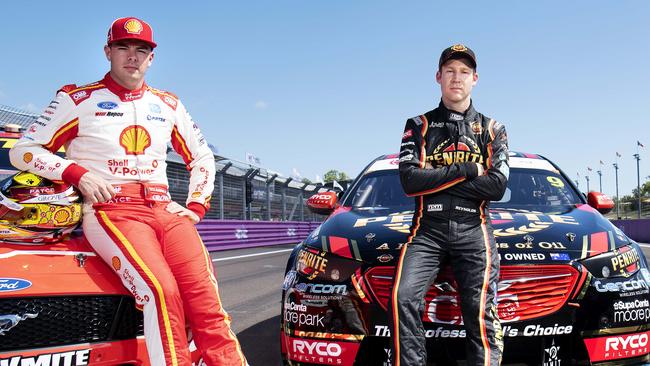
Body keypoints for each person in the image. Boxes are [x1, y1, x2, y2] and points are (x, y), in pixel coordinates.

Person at [9, 17, 247, 366]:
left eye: (141, 50)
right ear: (108, 51)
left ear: (151, 58)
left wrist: (196, 205)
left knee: (206, 300)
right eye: (123, 47)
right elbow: (24, 149)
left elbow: (201, 155)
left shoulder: (168, 104)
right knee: (160, 292)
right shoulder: (78, 99)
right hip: (112, 209)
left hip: (165, 209)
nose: (132, 56)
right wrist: (77, 174)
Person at [389, 44, 509, 366]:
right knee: (403, 298)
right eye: (451, 71)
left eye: (464, 72)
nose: (457, 78)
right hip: (426, 230)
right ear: (438, 77)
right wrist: (466, 169)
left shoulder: (493, 129)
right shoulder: (418, 125)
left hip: (475, 230)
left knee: (479, 308)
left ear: (475, 79)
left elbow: (496, 186)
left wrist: (436, 176)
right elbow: (410, 182)